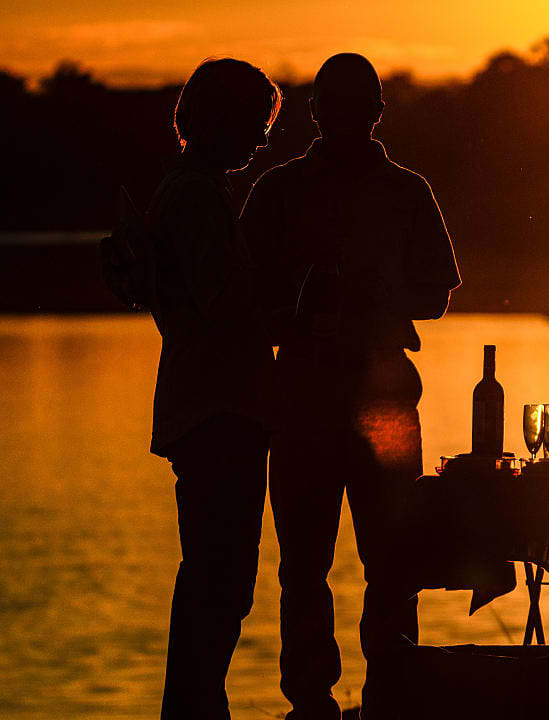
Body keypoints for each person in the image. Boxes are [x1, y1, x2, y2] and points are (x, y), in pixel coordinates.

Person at [241, 53, 460, 719]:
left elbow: (437, 293)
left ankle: (385, 693)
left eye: (354, 105)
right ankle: (323, 701)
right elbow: (244, 298)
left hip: (372, 396)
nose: (346, 118)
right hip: (313, 396)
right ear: (318, 113)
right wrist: (305, 305)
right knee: (312, 564)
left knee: (386, 561)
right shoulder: (283, 191)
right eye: (338, 106)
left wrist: (372, 295)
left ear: (374, 113)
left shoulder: (400, 190)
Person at [148, 58, 282, 719]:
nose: (262, 140)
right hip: (218, 412)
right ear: (218, 120)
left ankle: (197, 705)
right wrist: (295, 303)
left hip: (207, 407)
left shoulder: (190, 190)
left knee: (215, 580)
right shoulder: (197, 198)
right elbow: (223, 305)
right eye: (255, 123)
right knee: (220, 582)